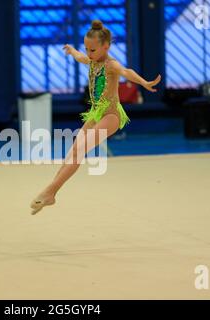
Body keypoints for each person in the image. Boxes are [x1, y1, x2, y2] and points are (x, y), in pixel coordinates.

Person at [30, 20, 161, 215]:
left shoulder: (111, 64)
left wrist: (144, 82)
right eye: (87, 49)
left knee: (81, 149)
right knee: (74, 151)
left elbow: (127, 72)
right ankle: (52, 193)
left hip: (111, 114)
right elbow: (81, 58)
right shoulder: (92, 60)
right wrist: (73, 51)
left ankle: (50, 191)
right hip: (96, 113)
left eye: (92, 50)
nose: (89, 54)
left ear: (105, 47)